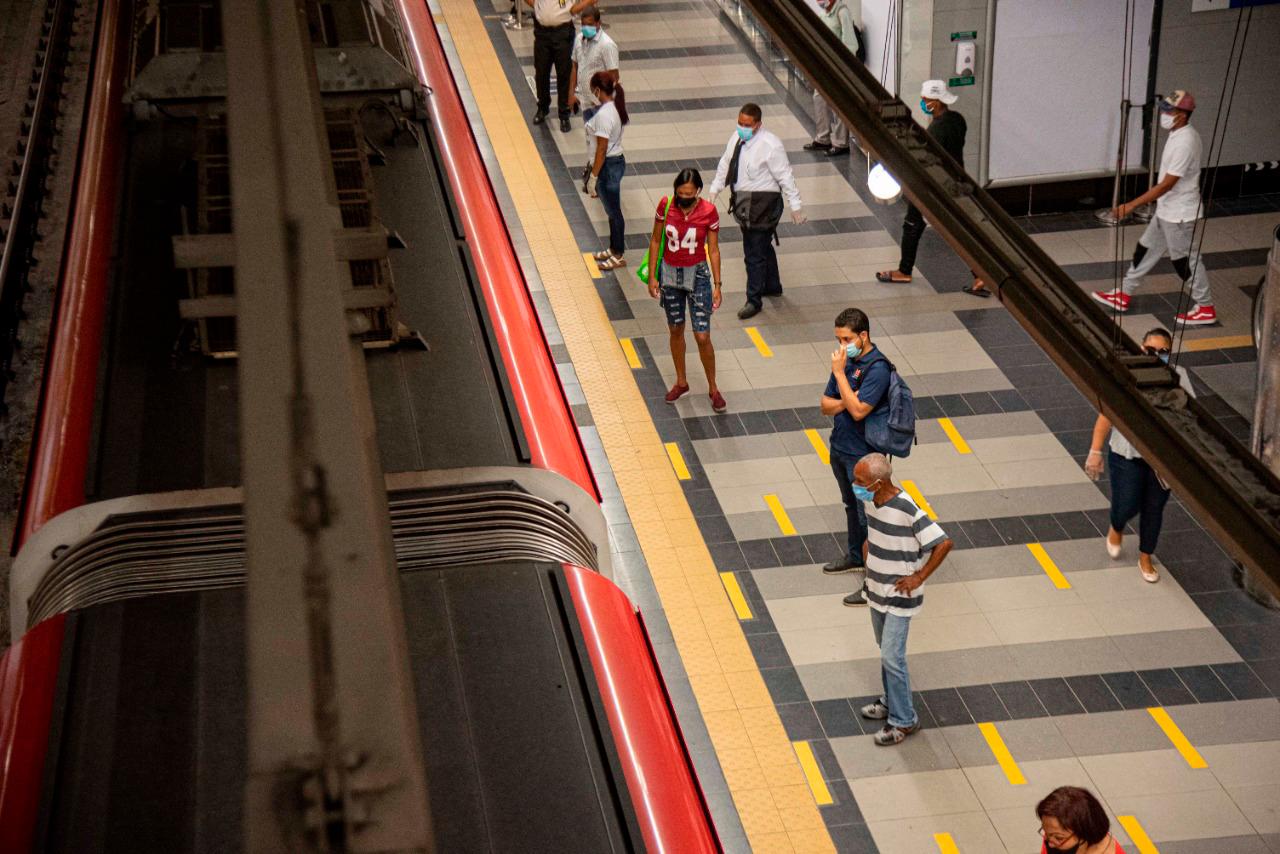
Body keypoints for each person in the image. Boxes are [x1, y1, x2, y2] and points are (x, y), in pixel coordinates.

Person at [852, 453, 952, 746]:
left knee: (891, 656)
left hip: (899, 595)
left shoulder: (908, 508)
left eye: (860, 481)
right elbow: (873, 535)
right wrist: (869, 555)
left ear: (878, 483)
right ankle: (889, 701)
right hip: (876, 590)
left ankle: (904, 721)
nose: (855, 485)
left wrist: (919, 576)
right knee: (885, 649)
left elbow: (944, 542)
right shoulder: (871, 500)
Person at [1092, 90, 1217, 326]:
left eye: (1169, 110)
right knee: (1146, 249)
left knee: (1185, 261)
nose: (1164, 113)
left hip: (1179, 214)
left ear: (1182, 114)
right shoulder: (1177, 133)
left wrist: (1130, 205)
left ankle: (1206, 306)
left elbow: (1167, 185)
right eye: (1164, 108)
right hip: (1166, 210)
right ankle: (1124, 293)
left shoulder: (1186, 142)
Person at [1084, 327, 1194, 584]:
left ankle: (1146, 556)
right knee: (1127, 502)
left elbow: (1189, 418)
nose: (1156, 355)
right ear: (1141, 348)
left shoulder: (1179, 378)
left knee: (1154, 508)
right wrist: (1095, 452)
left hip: (1161, 461)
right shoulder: (1126, 375)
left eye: (1163, 351)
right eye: (1150, 350)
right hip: (1126, 455)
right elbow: (1106, 414)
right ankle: (1117, 524)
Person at [876, 81, 986, 297]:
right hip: (956, 182)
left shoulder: (938, 129)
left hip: (937, 187)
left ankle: (905, 271)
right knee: (929, 225)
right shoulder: (957, 120)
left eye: (925, 100)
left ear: (935, 103)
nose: (923, 103)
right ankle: (979, 274)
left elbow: (927, 159)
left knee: (926, 227)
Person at [707, 103, 806, 320]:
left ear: (758, 125)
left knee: (753, 253)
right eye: (740, 123)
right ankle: (772, 284)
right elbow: (727, 164)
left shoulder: (770, 145)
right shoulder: (737, 138)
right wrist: (715, 188)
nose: (742, 127)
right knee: (762, 246)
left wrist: (795, 205)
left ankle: (753, 299)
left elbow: (785, 176)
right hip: (744, 205)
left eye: (747, 125)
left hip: (763, 206)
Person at [820, 308, 891, 593]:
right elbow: (825, 405)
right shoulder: (845, 363)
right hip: (840, 445)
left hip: (863, 454)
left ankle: (872, 581)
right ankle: (854, 555)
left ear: (863, 336)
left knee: (869, 515)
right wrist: (846, 396)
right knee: (850, 505)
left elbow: (860, 411)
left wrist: (840, 378)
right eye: (838, 339)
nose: (841, 346)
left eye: (846, 339)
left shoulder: (878, 368)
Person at [646, 168, 726, 413]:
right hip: (670, 274)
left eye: (689, 194)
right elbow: (656, 240)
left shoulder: (709, 212)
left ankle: (713, 387)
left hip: (698, 274)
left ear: (698, 192)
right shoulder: (665, 206)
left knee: (702, 335)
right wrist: (652, 276)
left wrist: (718, 284)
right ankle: (681, 381)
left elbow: (712, 249)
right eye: (680, 193)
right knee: (675, 328)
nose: (684, 197)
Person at [803, 0, 862, 157]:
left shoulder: (842, 12)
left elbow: (850, 44)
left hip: (839, 66)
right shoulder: (824, 13)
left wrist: (842, 67)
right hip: (825, 65)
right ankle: (823, 138)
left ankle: (841, 143)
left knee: (839, 104)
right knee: (819, 98)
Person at [567, 6, 619, 185]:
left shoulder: (607, 45)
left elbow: (614, 76)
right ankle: (592, 167)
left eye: (589, 25)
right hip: (586, 100)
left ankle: (600, 177)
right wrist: (572, 93)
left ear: (598, 24)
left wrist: (607, 104)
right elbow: (575, 66)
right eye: (583, 24)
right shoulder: (580, 39)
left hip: (600, 104)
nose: (585, 28)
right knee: (590, 139)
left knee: (602, 143)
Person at [527, 0, 593, 133]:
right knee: (541, 72)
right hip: (541, 32)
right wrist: (538, 7)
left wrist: (574, 10)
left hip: (563, 32)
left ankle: (564, 114)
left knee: (564, 73)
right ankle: (542, 108)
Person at [584, 73, 628, 271]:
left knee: (614, 212)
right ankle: (613, 248)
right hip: (615, 162)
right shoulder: (615, 107)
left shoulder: (604, 115)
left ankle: (618, 254)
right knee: (612, 211)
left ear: (598, 90)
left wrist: (593, 176)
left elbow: (601, 149)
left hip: (608, 166)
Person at [1036, 787, 1125, 854]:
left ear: (1085, 832)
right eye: (1046, 832)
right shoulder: (1054, 837)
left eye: (1059, 838)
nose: (1049, 844)